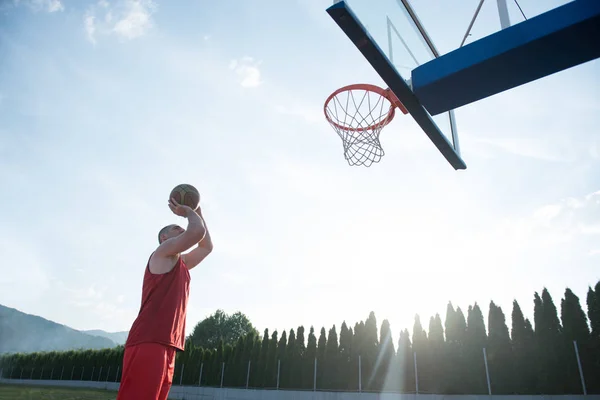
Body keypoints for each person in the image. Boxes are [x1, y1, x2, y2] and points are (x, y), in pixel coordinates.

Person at [116, 197, 213, 400]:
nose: (182, 229)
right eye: (176, 228)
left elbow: (206, 247)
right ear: (164, 238)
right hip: (148, 339)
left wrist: (199, 212)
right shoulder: (161, 254)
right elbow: (196, 232)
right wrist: (187, 212)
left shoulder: (182, 262)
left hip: (167, 342)